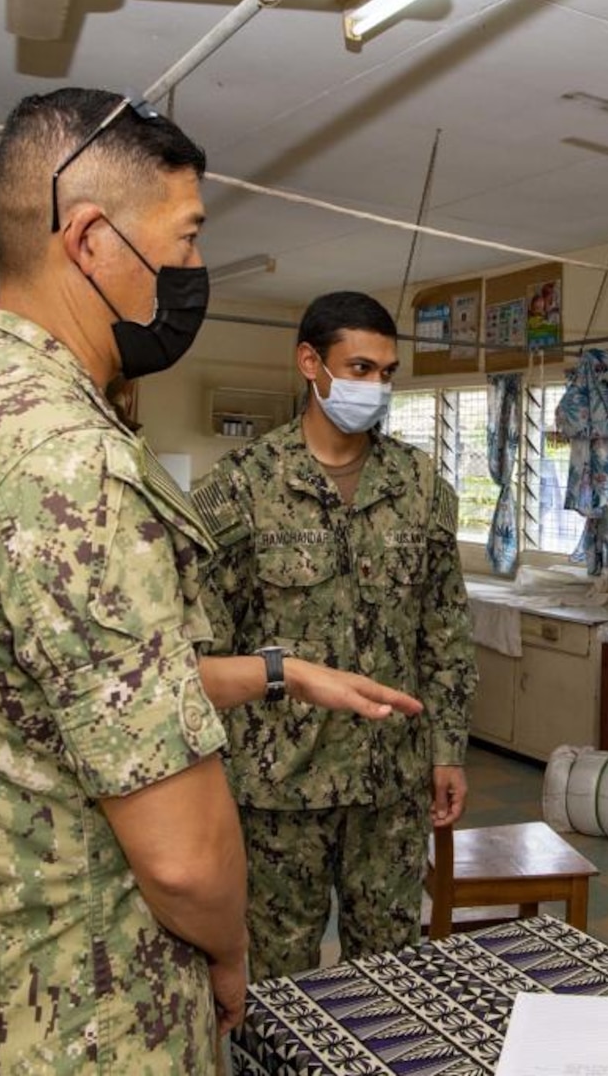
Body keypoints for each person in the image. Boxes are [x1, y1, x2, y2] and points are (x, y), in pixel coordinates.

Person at [0, 89, 418, 1076]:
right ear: (90, 240)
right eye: (188, 237)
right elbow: (184, 856)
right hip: (79, 1011)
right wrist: (231, 950)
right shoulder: (73, 462)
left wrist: (279, 671)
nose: (196, 270)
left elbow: (59, 692)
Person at [193, 290, 477, 980]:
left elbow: (444, 628)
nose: (374, 386)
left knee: (390, 974)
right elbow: (202, 658)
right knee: (277, 977)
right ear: (310, 364)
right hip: (279, 790)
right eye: (359, 368)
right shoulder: (239, 490)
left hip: (391, 784)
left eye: (386, 373)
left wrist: (449, 749)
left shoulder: (417, 485)